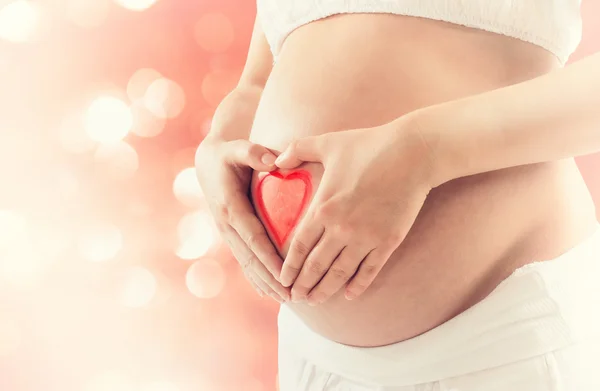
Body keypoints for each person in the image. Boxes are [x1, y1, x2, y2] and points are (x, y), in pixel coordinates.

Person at [196, 1, 600, 390]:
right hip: (312, 356)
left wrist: (422, 150)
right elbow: (264, 66)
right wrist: (222, 137)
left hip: (500, 342)